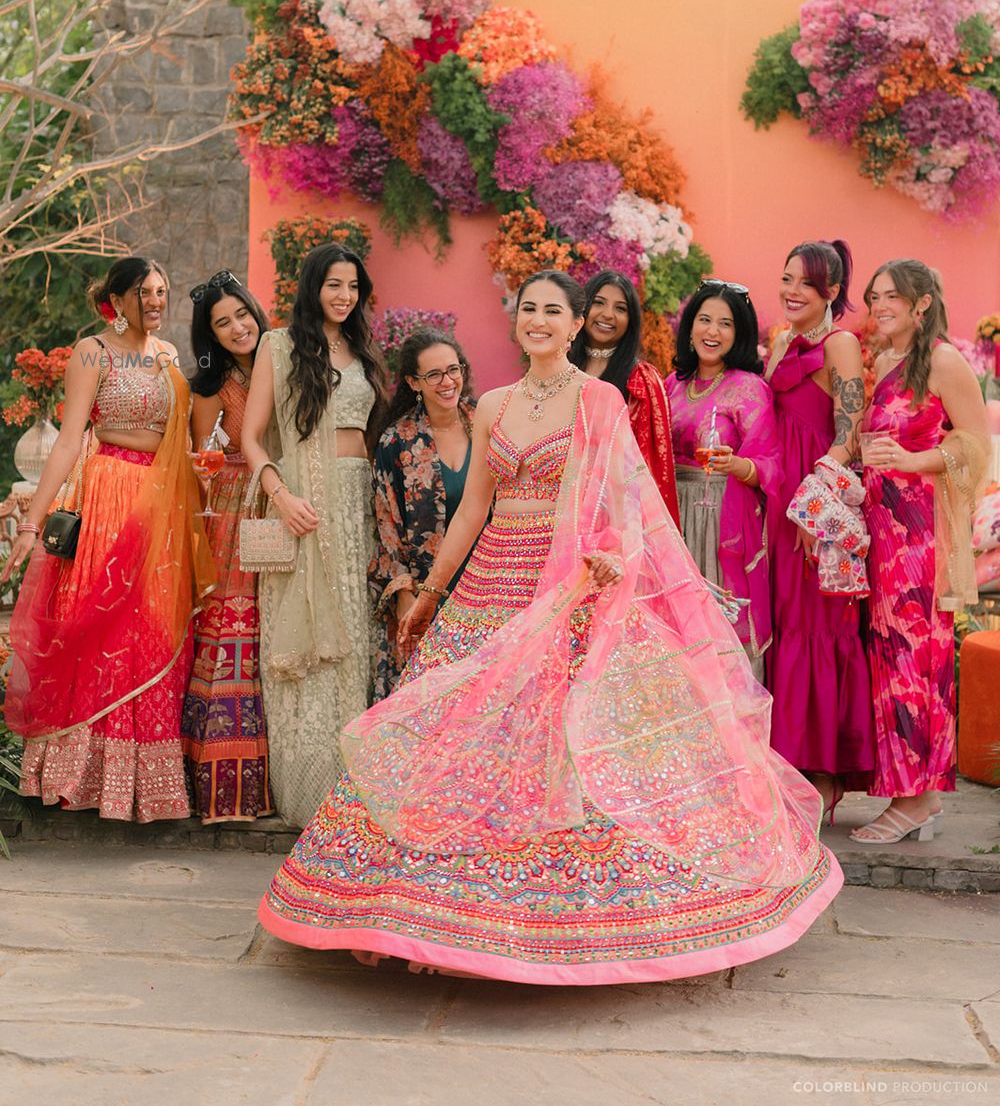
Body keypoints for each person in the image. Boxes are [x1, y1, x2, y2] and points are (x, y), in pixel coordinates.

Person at [258, 270, 841, 983]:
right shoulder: (492, 404)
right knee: (458, 740)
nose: (538, 320)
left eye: (553, 312)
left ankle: (546, 919)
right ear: (518, 323)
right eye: (528, 308)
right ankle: (419, 915)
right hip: (487, 588)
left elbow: (627, 503)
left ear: (575, 327)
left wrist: (607, 557)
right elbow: (473, 508)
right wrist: (431, 592)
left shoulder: (599, 401)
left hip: (565, 587)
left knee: (555, 744)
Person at [1, 257, 213, 821]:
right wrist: (31, 523)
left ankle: (147, 789)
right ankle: (81, 778)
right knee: (98, 628)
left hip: (162, 506)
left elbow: (185, 440)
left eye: (162, 292)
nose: (155, 302)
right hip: (107, 498)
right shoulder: (93, 351)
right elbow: (69, 442)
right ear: (116, 299)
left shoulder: (168, 357)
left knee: (152, 633)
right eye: (144, 292)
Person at [241, 244, 387, 827]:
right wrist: (281, 497)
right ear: (312, 287)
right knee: (303, 655)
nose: (344, 295)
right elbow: (252, 438)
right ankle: (309, 794)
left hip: (358, 506)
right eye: (333, 284)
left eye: (353, 285)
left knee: (355, 636)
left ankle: (354, 793)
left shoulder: (365, 350)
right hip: (301, 503)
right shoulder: (278, 346)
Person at [851, 261, 988, 846]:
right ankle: (908, 793)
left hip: (919, 537)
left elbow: (976, 446)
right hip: (881, 534)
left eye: (892, 297)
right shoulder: (884, 363)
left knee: (917, 664)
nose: (879, 306)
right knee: (888, 661)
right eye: (874, 296)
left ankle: (920, 799)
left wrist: (913, 462)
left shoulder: (945, 361)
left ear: (923, 304)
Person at [765, 239, 873, 819]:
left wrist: (815, 510)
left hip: (813, 507)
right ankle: (785, 768)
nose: (791, 291)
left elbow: (848, 433)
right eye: (786, 278)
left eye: (805, 283)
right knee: (783, 628)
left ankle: (825, 774)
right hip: (774, 504)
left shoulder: (843, 344)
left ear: (830, 292)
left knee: (820, 627)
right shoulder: (781, 342)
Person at [181, 270, 274, 823]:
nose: (238, 327)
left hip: (286, 500)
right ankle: (226, 787)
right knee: (233, 632)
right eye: (223, 322)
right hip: (236, 513)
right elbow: (200, 461)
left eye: (242, 314)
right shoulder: (213, 387)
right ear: (211, 335)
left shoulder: (283, 357)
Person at [666, 280, 781, 675]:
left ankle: (733, 731)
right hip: (673, 519)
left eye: (725, 324)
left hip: (721, 521)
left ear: (740, 332)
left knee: (720, 635)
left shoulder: (749, 390)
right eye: (704, 320)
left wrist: (736, 466)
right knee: (674, 638)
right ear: (690, 326)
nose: (712, 332)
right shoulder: (671, 385)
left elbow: (771, 465)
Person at [369, 328, 476, 701]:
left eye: (453, 370)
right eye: (434, 375)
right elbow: (385, 526)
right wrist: (403, 594)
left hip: (486, 588)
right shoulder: (395, 442)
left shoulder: (488, 425)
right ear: (414, 382)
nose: (448, 382)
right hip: (425, 594)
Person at [568, 270, 679, 524]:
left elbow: (653, 465)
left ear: (631, 320)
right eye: (599, 303)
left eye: (620, 308)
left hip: (616, 516)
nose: (608, 314)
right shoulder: (560, 370)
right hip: (559, 509)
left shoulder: (641, 379)